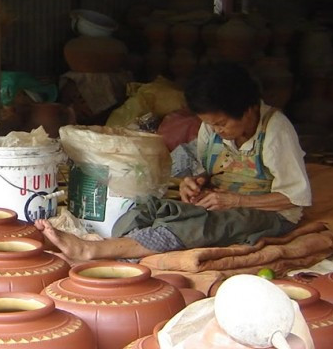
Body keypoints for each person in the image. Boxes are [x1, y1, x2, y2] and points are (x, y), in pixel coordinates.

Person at [37, 62, 312, 261]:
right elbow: (210, 169)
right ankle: (129, 247)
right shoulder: (211, 128)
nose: (216, 130)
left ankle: (94, 250)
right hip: (222, 204)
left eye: (222, 123)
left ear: (250, 108)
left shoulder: (275, 130)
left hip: (271, 214)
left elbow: (296, 198)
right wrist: (196, 182)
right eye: (209, 124)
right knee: (148, 209)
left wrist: (236, 201)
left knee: (202, 227)